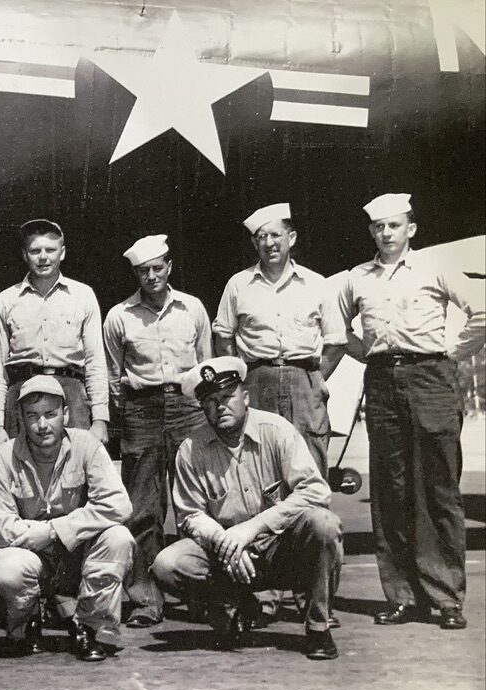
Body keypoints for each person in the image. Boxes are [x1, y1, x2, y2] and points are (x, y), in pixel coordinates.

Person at [338, 193, 486, 630]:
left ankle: (445, 598)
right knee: (391, 490)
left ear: (411, 230)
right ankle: (400, 595)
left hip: (430, 379)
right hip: (382, 382)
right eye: (379, 227)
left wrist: (450, 354)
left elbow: (481, 311)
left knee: (439, 487)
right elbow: (332, 325)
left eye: (395, 226)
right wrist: (365, 353)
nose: (386, 234)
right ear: (371, 232)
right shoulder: (357, 278)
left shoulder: (434, 268)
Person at [151, 357, 342, 661]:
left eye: (227, 397)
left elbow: (316, 491)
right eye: (210, 401)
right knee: (168, 563)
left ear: (245, 397)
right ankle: (235, 603)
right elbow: (190, 515)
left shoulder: (276, 430)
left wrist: (252, 528)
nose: (220, 407)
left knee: (324, 525)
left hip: (278, 548)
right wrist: (225, 542)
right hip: (227, 557)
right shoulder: (191, 448)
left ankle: (319, 628)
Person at [0, 375, 133, 662]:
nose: (42, 425)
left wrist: (53, 531)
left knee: (118, 538)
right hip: (31, 553)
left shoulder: (86, 445)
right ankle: (25, 624)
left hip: (76, 553)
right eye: (32, 416)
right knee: (8, 569)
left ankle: (90, 625)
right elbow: (0, 527)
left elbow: (118, 504)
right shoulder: (1, 458)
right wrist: (41, 536)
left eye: (50, 415)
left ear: (65, 414)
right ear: (20, 418)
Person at [102, 234, 212, 628]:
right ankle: (147, 598)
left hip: (187, 406)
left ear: (169, 267)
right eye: (143, 271)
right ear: (135, 274)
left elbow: (206, 364)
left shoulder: (192, 309)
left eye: (157, 269)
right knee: (143, 507)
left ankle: (200, 593)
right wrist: (126, 413)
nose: (151, 277)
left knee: (194, 501)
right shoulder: (120, 316)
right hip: (141, 408)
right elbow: (114, 375)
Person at [213, 203, 346, 477]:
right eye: (262, 237)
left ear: (291, 238)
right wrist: (240, 379)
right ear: (254, 242)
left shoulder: (315, 283)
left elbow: (336, 341)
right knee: (259, 461)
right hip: (257, 379)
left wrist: (317, 378)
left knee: (308, 460)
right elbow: (224, 337)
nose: (269, 243)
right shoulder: (238, 284)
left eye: (276, 235)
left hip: (304, 380)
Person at [0, 219, 109, 448]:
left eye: (50, 250)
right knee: (21, 475)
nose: (43, 257)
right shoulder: (6, 300)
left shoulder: (83, 296)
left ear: (62, 253)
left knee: (74, 470)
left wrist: (100, 418)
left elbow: (95, 362)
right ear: (25, 255)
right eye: (35, 251)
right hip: (22, 395)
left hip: (71, 395)